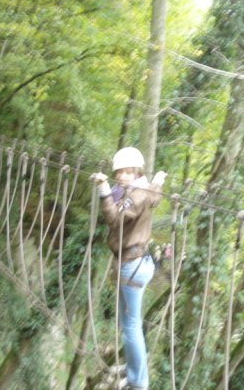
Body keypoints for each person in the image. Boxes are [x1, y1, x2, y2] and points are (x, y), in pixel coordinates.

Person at [92, 147, 167, 390]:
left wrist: (103, 190)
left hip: (131, 265)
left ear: (137, 172)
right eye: (119, 172)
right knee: (129, 325)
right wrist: (158, 181)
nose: (121, 176)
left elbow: (115, 219)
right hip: (137, 263)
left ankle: (138, 382)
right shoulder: (142, 189)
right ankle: (135, 369)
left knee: (131, 327)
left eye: (127, 172)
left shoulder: (135, 195)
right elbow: (154, 197)